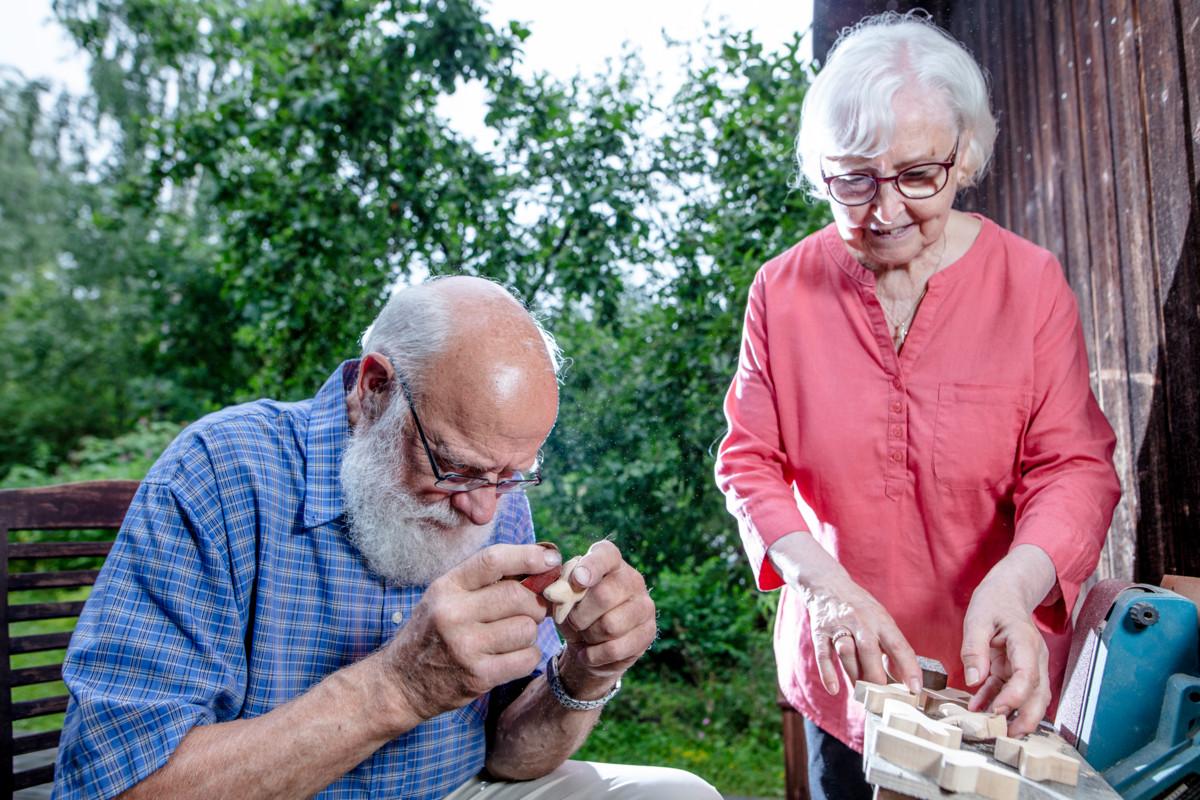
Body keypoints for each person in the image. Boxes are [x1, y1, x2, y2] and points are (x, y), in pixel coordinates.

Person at [55, 276, 720, 800]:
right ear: (374, 388)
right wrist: (397, 688)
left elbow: (512, 758)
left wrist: (585, 672)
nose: (485, 506)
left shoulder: (491, 499)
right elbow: (114, 788)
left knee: (680, 792)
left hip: (456, 790)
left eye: (514, 475)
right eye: (456, 467)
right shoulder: (222, 472)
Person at [714, 12, 1121, 800]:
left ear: (964, 156)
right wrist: (823, 588)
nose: (887, 209)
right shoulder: (781, 290)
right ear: (820, 172)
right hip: (849, 679)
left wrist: (1016, 584)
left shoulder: (1030, 284)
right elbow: (748, 461)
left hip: (994, 683)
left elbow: (1074, 466)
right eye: (855, 180)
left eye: (917, 175)